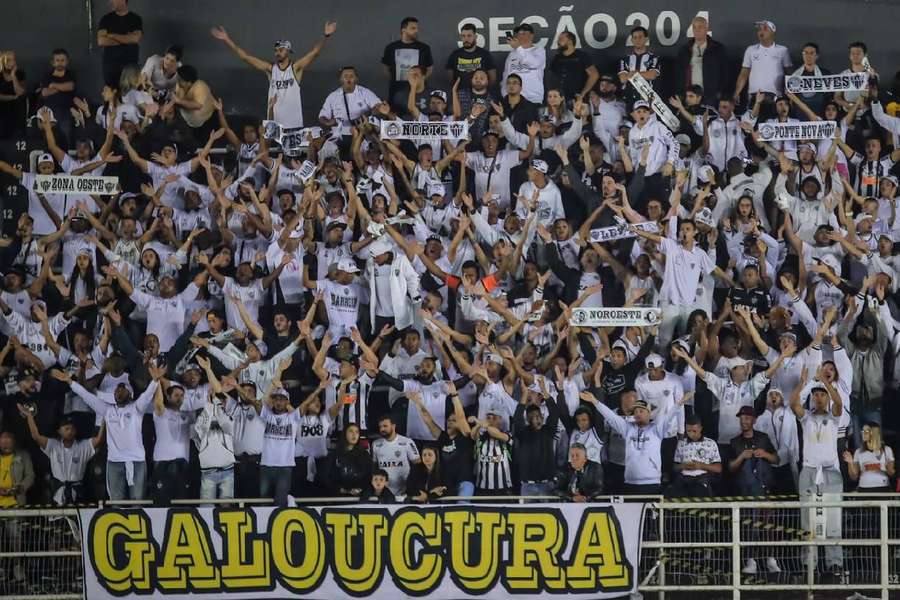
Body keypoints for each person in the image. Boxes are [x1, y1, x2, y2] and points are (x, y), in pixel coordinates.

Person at [51, 364, 162, 501]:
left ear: (131, 394)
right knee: (116, 502)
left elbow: (146, 396)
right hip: (114, 462)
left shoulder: (136, 409)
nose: (118, 392)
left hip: (136, 461)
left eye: (122, 390)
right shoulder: (108, 410)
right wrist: (70, 382)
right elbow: (87, 397)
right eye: (116, 390)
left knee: (137, 502)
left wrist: (155, 381)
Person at [211, 21, 337, 130]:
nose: (278, 53)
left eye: (281, 50)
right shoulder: (271, 69)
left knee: (292, 156)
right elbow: (245, 58)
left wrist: (326, 36)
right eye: (276, 50)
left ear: (288, 51)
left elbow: (314, 53)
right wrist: (227, 40)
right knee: (273, 156)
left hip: (294, 124)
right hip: (274, 124)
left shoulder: (295, 68)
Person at [790, 376, 844, 579]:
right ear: (812, 398)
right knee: (807, 520)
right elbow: (793, 403)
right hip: (809, 471)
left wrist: (825, 382)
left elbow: (839, 403)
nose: (819, 398)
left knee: (833, 520)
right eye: (816, 395)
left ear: (827, 397)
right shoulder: (807, 418)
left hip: (830, 471)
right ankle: (808, 565)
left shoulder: (834, 417)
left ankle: (834, 565)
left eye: (823, 395)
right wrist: (802, 383)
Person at [733, 20, 792, 109]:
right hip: (754, 95)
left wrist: (790, 95)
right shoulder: (751, 50)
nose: (761, 31)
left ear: (773, 31)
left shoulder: (783, 50)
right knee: (753, 121)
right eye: (759, 29)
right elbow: (744, 73)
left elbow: (789, 74)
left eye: (765, 29)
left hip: (776, 96)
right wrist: (737, 92)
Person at [381, 17, 434, 113]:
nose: (416, 31)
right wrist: (395, 79)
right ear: (403, 30)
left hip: (420, 93)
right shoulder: (391, 48)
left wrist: (420, 81)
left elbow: (429, 68)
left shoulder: (424, 48)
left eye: (417, 28)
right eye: (413, 28)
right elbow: (385, 68)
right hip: (397, 90)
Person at [674, 16, 729, 105]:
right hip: (690, 96)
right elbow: (678, 73)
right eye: (694, 27)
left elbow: (725, 73)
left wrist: (720, 93)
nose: (697, 30)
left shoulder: (717, 49)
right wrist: (681, 93)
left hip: (711, 96)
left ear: (707, 28)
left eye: (700, 27)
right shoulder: (685, 49)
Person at [667, 414, 721, 498]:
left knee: (700, 492)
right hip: (683, 479)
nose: (691, 434)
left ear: (700, 428)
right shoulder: (681, 443)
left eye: (694, 431)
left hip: (702, 479)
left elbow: (718, 468)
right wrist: (683, 466)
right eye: (688, 431)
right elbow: (674, 468)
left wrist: (700, 465)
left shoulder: (710, 443)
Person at [370, 414, 421, 499]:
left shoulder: (407, 442)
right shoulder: (376, 444)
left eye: (385, 426)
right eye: (380, 426)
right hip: (384, 493)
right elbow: (374, 468)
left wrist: (412, 485)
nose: (382, 429)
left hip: (405, 493)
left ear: (393, 426)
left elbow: (418, 465)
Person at [96, 0, 143, 87]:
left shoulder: (135, 19)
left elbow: (135, 39)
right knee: (111, 97)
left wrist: (112, 35)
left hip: (130, 69)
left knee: (130, 96)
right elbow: (101, 41)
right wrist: (126, 39)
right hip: (110, 69)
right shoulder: (106, 19)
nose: (110, 2)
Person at [501, 22, 546, 104]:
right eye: (518, 34)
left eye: (524, 33)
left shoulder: (539, 50)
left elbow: (535, 63)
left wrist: (518, 48)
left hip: (533, 99)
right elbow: (506, 76)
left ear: (532, 35)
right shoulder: (512, 54)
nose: (520, 36)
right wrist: (505, 95)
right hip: (513, 99)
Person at [845, 422, 895, 492]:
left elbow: (892, 473)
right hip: (864, 488)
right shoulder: (858, 452)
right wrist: (850, 462)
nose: (863, 433)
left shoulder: (887, 450)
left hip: (882, 487)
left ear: (874, 433)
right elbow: (854, 477)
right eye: (862, 431)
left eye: (866, 431)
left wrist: (884, 467)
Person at [549, 31, 598, 101]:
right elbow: (552, 78)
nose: (558, 42)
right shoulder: (556, 58)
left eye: (561, 39)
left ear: (570, 41)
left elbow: (594, 75)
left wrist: (583, 93)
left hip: (577, 100)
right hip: (559, 100)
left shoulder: (582, 56)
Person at [446, 23, 497, 89]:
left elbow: (493, 78)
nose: (466, 39)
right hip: (461, 93)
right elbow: (450, 78)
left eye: (469, 36)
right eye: (463, 36)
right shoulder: (455, 55)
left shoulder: (485, 54)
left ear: (475, 37)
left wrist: (483, 91)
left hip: (480, 94)